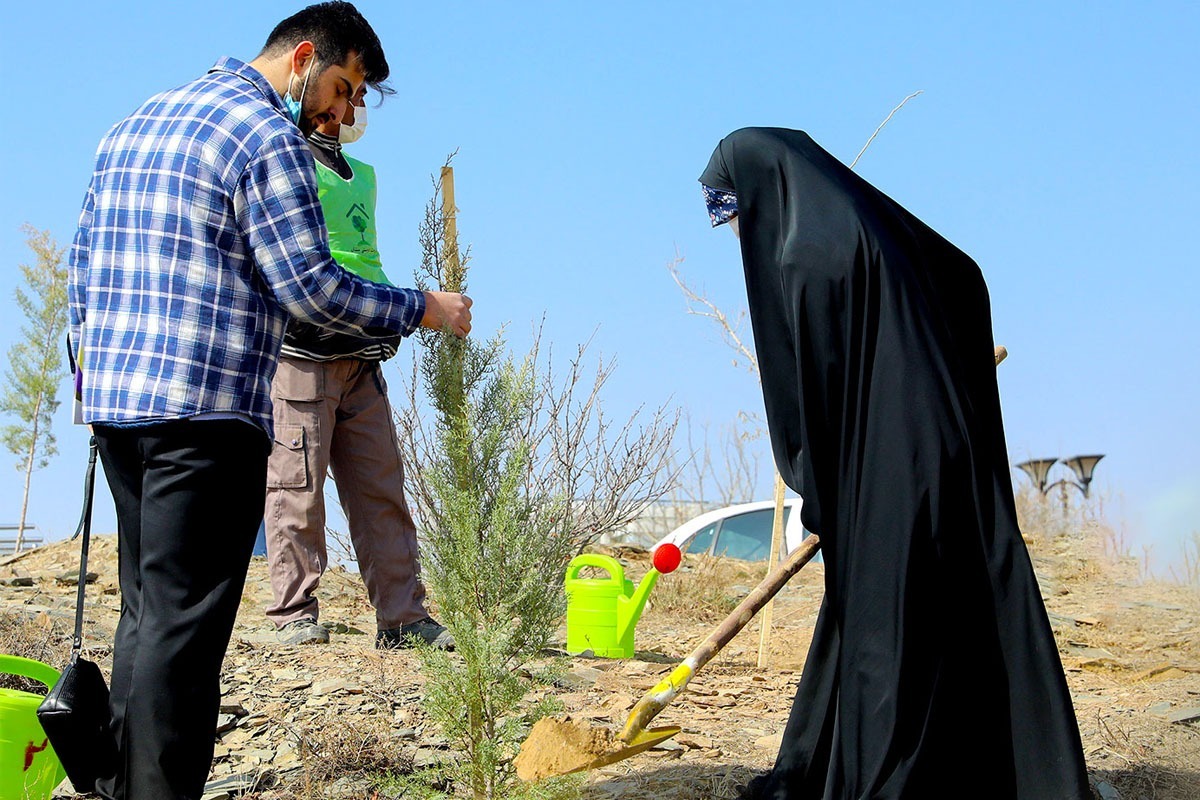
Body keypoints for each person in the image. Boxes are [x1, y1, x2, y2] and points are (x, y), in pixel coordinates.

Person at [65, 4, 471, 798]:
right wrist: (418, 307)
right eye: (344, 89)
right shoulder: (266, 137)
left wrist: (96, 380)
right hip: (205, 413)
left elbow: (81, 270)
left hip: (118, 411)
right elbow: (311, 290)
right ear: (306, 57)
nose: (343, 112)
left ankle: (122, 788)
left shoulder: (133, 122)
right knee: (184, 636)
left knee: (147, 618)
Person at [699, 128, 1090, 799]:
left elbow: (811, 390)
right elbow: (962, 274)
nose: (736, 232)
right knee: (938, 603)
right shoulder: (868, 229)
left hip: (892, 465)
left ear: (764, 190)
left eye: (735, 212)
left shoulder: (805, 257)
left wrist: (818, 486)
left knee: (887, 626)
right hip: (942, 448)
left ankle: (889, 780)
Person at [264, 85, 452, 650]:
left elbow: (364, 253)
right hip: (301, 354)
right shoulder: (284, 160)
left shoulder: (362, 175)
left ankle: (402, 617)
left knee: (380, 490)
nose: (344, 111)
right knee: (296, 487)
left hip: (362, 356)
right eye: (341, 93)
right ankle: (293, 612)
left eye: (354, 99)